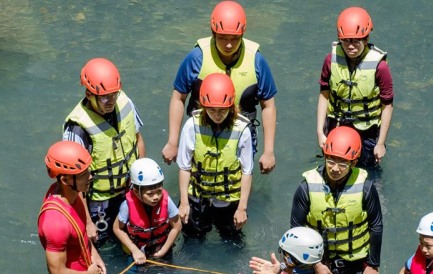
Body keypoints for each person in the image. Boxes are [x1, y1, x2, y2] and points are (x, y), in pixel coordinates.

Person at [162, 0, 277, 174]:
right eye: (222, 38)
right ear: (213, 32)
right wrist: (173, 142)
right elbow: (178, 97)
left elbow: (268, 105)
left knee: (239, 185)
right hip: (202, 131)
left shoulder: (256, 60)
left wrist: (268, 152)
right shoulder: (196, 57)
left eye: (235, 39)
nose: (229, 44)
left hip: (240, 135)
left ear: (242, 34)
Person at [290, 126, 383, 274]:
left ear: (353, 162)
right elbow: (296, 229)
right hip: (316, 260)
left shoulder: (367, 188)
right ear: (324, 156)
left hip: (355, 263)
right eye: (331, 160)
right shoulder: (306, 188)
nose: (334, 168)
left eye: (342, 163)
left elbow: (376, 226)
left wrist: (373, 265)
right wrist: (316, 264)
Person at [63, 57, 146, 245]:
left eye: (114, 94)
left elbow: (138, 140)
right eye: (104, 97)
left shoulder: (125, 102)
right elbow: (73, 181)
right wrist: (87, 222)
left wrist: (141, 183)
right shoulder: (77, 128)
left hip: (129, 190)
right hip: (98, 204)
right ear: (89, 94)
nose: (110, 101)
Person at [38, 141, 106, 274]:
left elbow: (82, 231)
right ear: (66, 180)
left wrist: (96, 256)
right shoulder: (56, 223)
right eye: (84, 174)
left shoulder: (70, 194)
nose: (90, 176)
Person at [177, 72, 253, 239]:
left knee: (232, 240)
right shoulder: (191, 125)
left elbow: (247, 171)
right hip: (197, 197)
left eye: (222, 110)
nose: (217, 114)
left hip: (227, 200)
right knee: (192, 240)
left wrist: (242, 208)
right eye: (212, 110)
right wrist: (183, 203)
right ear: (203, 106)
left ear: (231, 106)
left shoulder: (242, 130)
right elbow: (184, 166)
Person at [316, 6, 394, 168]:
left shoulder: (380, 67)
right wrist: (320, 132)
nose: (350, 46)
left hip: (368, 129)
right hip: (336, 123)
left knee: (369, 171)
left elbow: (387, 105)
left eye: (356, 41)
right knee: (333, 167)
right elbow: (324, 95)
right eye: (346, 40)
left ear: (365, 39)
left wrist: (381, 143)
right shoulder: (331, 60)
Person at [113, 158, 182, 264]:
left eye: (159, 191)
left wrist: (164, 250)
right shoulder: (127, 206)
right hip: (136, 252)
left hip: (161, 249)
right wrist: (134, 250)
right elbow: (117, 228)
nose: (156, 197)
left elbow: (177, 226)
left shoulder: (166, 200)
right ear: (136, 192)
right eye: (150, 193)